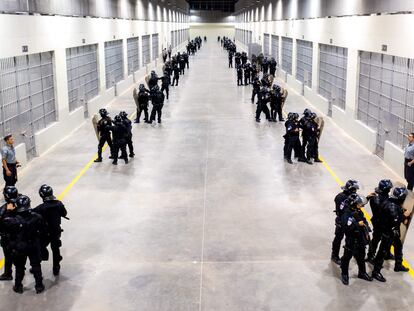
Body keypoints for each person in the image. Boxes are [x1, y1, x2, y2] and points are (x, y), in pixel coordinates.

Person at [1, 195, 45, 294]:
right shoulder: (37, 217)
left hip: (19, 246)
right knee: (36, 265)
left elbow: (2, 227)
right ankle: (39, 286)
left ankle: (18, 286)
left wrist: (7, 210)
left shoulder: (11, 220)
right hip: (33, 245)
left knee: (19, 267)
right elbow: (42, 230)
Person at [371, 187, 410, 282]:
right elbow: (395, 220)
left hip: (392, 230)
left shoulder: (390, 202)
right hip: (388, 231)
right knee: (382, 251)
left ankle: (398, 265)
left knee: (398, 245)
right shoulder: (392, 207)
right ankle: (376, 272)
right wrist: (404, 216)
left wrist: (401, 211)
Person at [33, 185, 68, 276]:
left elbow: (32, 217)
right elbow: (64, 213)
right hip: (56, 231)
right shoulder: (59, 204)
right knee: (56, 249)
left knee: (39, 248)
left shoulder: (40, 208)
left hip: (44, 233)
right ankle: (56, 266)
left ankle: (36, 267)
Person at [340, 193, 373, 285]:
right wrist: (358, 225)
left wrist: (366, 229)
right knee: (347, 257)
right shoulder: (346, 214)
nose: (361, 205)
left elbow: (364, 220)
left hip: (360, 238)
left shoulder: (358, 211)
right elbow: (346, 228)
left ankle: (362, 273)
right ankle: (344, 274)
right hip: (351, 240)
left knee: (361, 257)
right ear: (354, 204)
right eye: (359, 203)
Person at [331, 179, 360, 264]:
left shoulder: (353, 196)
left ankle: (354, 253)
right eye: (354, 189)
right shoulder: (341, 197)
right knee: (338, 237)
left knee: (352, 238)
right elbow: (341, 210)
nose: (356, 191)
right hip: (342, 221)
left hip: (350, 221)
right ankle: (334, 255)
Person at [366, 179, 393, 264]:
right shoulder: (376, 198)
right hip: (379, 222)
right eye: (388, 188)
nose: (389, 190)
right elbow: (380, 210)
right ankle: (370, 255)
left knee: (388, 238)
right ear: (385, 188)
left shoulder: (384, 195)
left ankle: (387, 254)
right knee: (376, 239)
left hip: (385, 221)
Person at [0, 186, 19, 281]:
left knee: (8, 256)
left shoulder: (2, 210)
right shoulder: (21, 205)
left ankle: (8, 274)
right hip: (20, 236)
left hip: (7, 238)